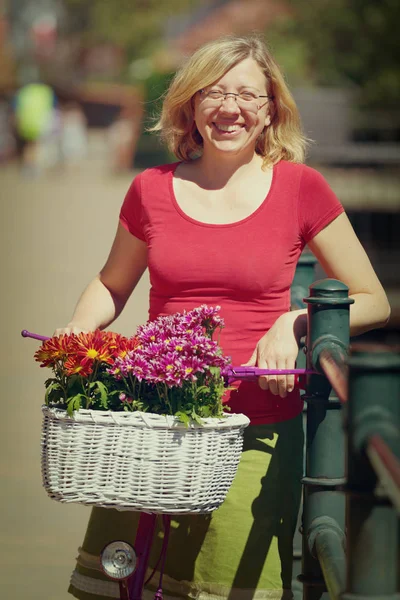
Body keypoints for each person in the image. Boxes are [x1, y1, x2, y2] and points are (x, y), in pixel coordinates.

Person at [57, 35, 390, 600]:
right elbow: (111, 285)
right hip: (154, 426)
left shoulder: (300, 187)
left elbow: (373, 298)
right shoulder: (151, 190)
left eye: (247, 95)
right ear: (191, 105)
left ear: (270, 109)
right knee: (126, 586)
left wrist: (293, 323)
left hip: (254, 431)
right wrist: (76, 331)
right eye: (214, 92)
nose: (230, 108)